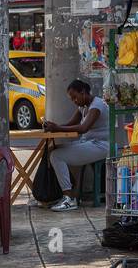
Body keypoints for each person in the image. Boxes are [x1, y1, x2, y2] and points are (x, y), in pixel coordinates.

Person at [42, 78, 109, 212]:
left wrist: (57, 128)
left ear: (83, 92)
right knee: (53, 150)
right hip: (89, 143)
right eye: (72, 99)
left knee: (56, 156)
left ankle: (69, 198)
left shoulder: (97, 105)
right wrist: (52, 126)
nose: (74, 101)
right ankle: (57, 193)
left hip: (101, 146)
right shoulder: (83, 107)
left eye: (75, 97)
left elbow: (83, 128)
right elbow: (70, 124)